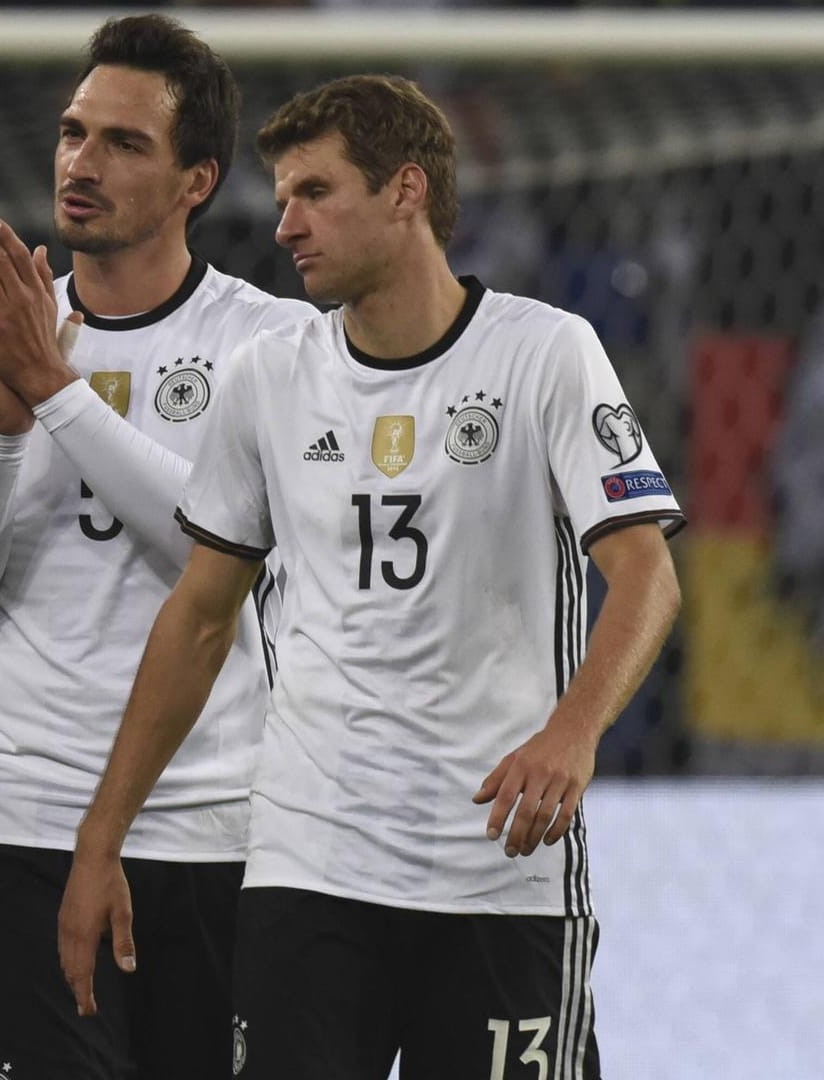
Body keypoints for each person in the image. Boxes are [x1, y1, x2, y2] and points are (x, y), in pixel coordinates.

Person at [59, 74, 684, 1080]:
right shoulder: (269, 377)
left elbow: (646, 573)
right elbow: (199, 620)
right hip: (311, 865)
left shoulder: (546, 356)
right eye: (281, 197)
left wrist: (573, 732)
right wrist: (102, 834)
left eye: (315, 193)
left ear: (405, 193)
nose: (286, 224)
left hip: (496, 869)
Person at [0, 15, 314, 1077]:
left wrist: (53, 392)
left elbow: (222, 555)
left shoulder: (268, 344)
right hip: (23, 814)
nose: (81, 164)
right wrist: (2, 426)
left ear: (196, 182)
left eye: (124, 143)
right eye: (73, 133)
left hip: (215, 822)